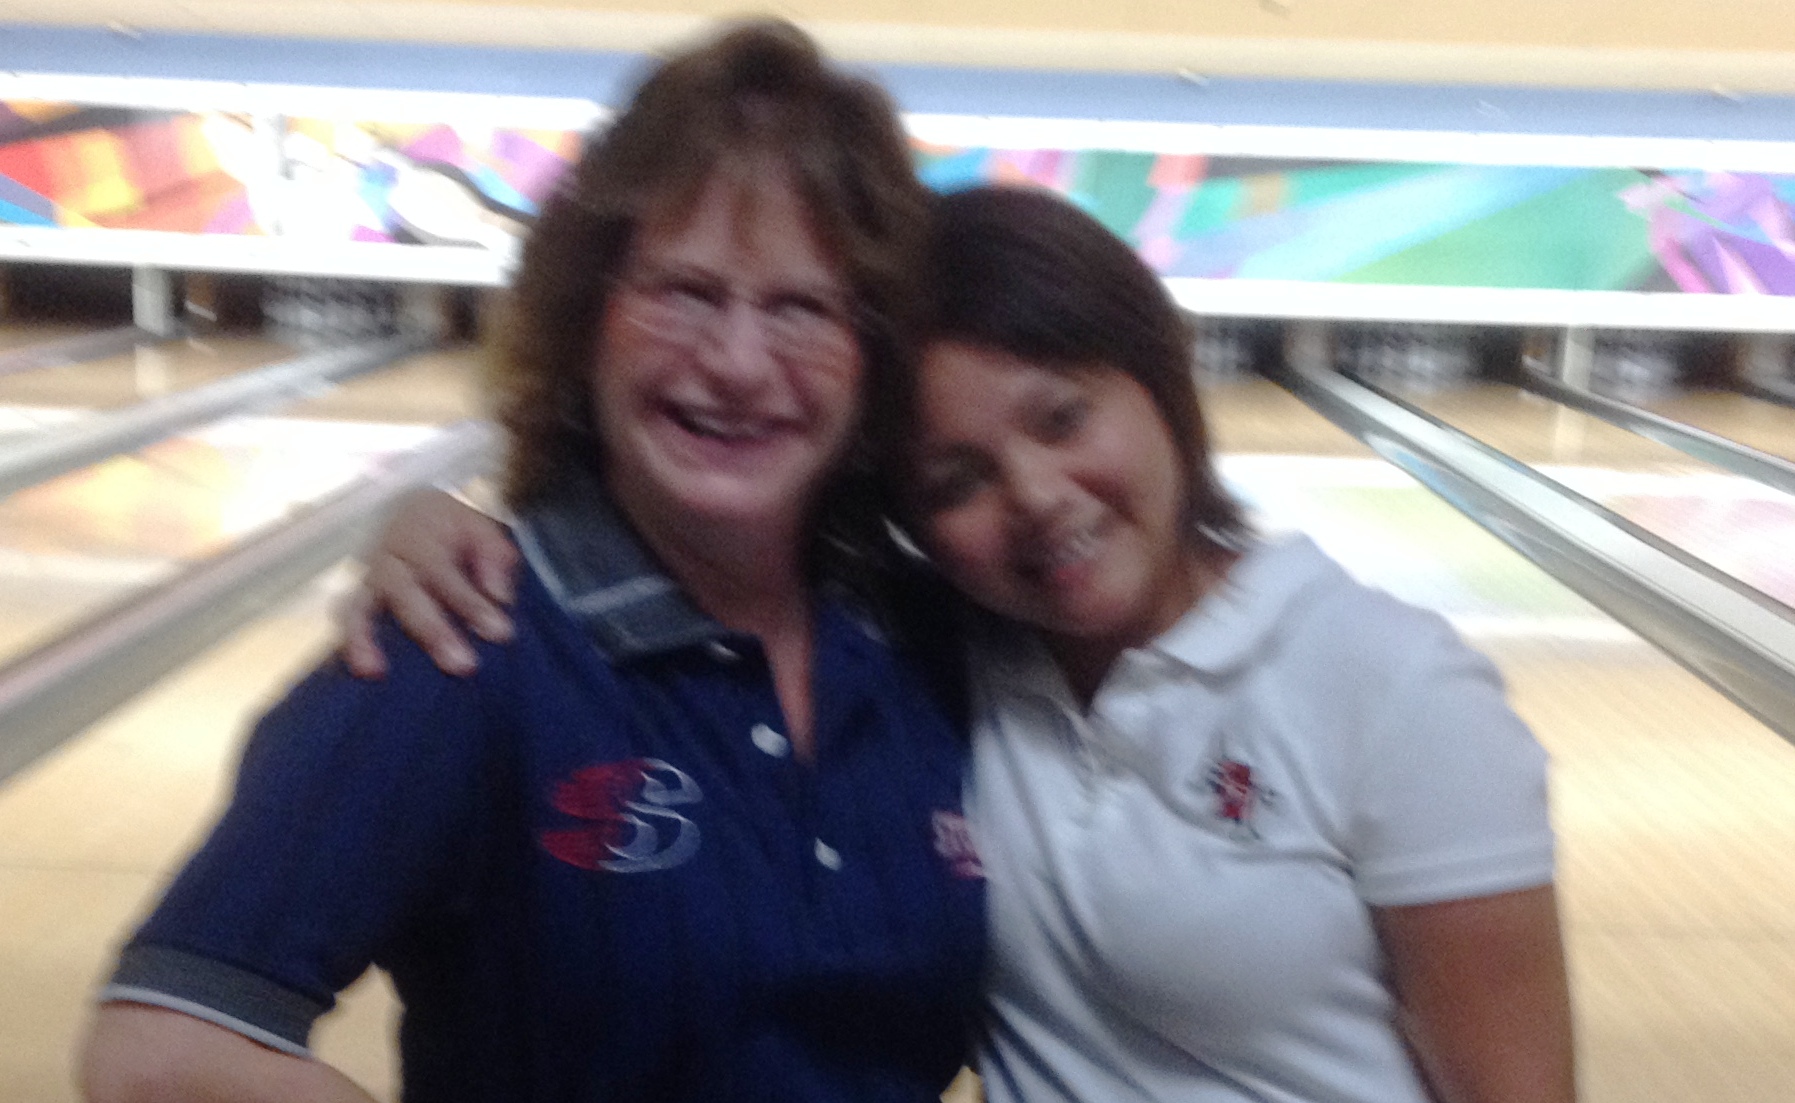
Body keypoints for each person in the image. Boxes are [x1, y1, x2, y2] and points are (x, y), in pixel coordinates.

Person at [350, 185, 1577, 1103]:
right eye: (955, 477)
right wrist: (438, 522)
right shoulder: (931, 666)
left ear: (1157, 382)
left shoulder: (1390, 684)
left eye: (1063, 416)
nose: (1035, 496)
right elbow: (704, 553)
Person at [79, 22, 985, 1103]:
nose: (739, 362)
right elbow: (163, 1051)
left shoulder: (928, 636)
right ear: (586, 314)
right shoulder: (466, 640)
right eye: (685, 291)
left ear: (871, 352)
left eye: (802, 307)